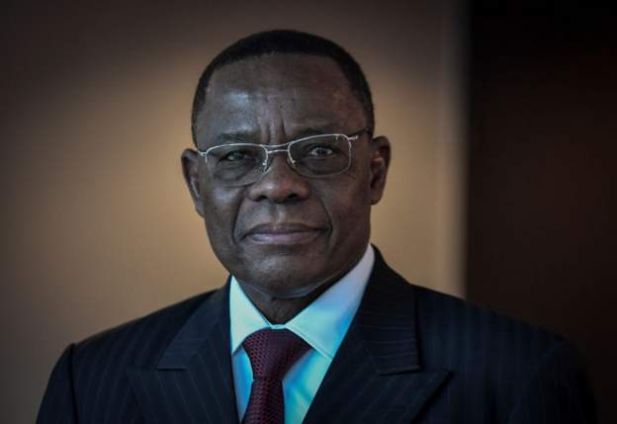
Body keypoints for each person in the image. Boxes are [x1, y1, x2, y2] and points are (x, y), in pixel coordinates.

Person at [37, 30, 596, 424]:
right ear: (196, 184)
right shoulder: (91, 379)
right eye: (237, 156)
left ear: (374, 172)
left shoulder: (518, 375)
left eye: (320, 150)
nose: (278, 185)